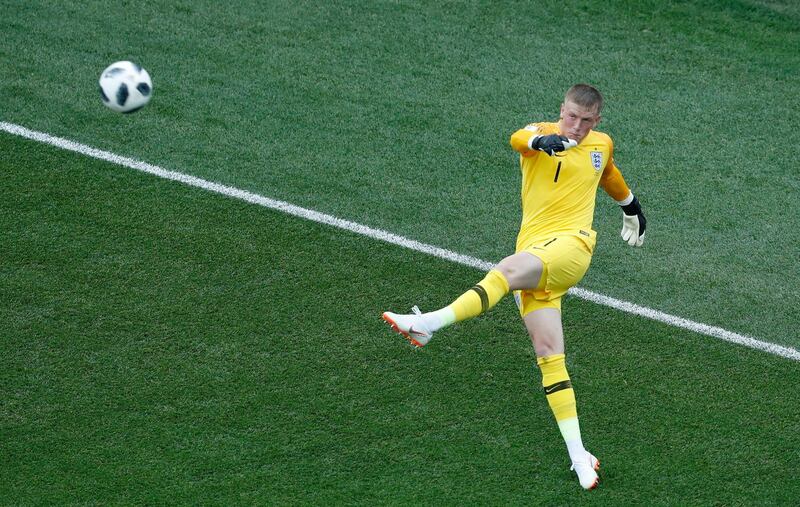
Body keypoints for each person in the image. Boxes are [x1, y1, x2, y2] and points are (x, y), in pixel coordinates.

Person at [382, 83, 646, 491]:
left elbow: (607, 172)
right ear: (562, 110)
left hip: (572, 248)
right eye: (570, 117)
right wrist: (544, 140)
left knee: (505, 273)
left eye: (585, 121)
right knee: (549, 357)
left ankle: (429, 323)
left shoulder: (601, 144)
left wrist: (630, 206)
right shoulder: (539, 135)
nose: (575, 127)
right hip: (539, 254)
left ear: (598, 121)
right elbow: (518, 138)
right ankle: (580, 457)